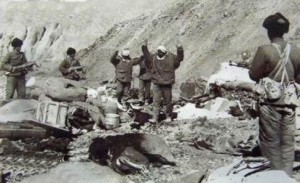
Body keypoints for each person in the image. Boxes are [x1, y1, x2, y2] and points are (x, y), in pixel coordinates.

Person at [249, 13, 300, 176]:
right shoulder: (297, 51)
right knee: (287, 141)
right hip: (290, 101)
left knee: (271, 141)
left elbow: (253, 74)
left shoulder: (265, 50)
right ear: (284, 31)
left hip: (271, 103)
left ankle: (273, 177)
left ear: (269, 31)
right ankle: (286, 175)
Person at [142, 40, 184, 123]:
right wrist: (144, 47)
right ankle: (155, 118)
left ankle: (168, 116)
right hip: (157, 82)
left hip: (167, 83)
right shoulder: (154, 58)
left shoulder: (171, 58)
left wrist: (179, 49)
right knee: (156, 101)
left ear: (165, 53)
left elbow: (180, 58)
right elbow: (147, 56)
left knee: (167, 101)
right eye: (158, 52)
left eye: (161, 52)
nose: (159, 54)